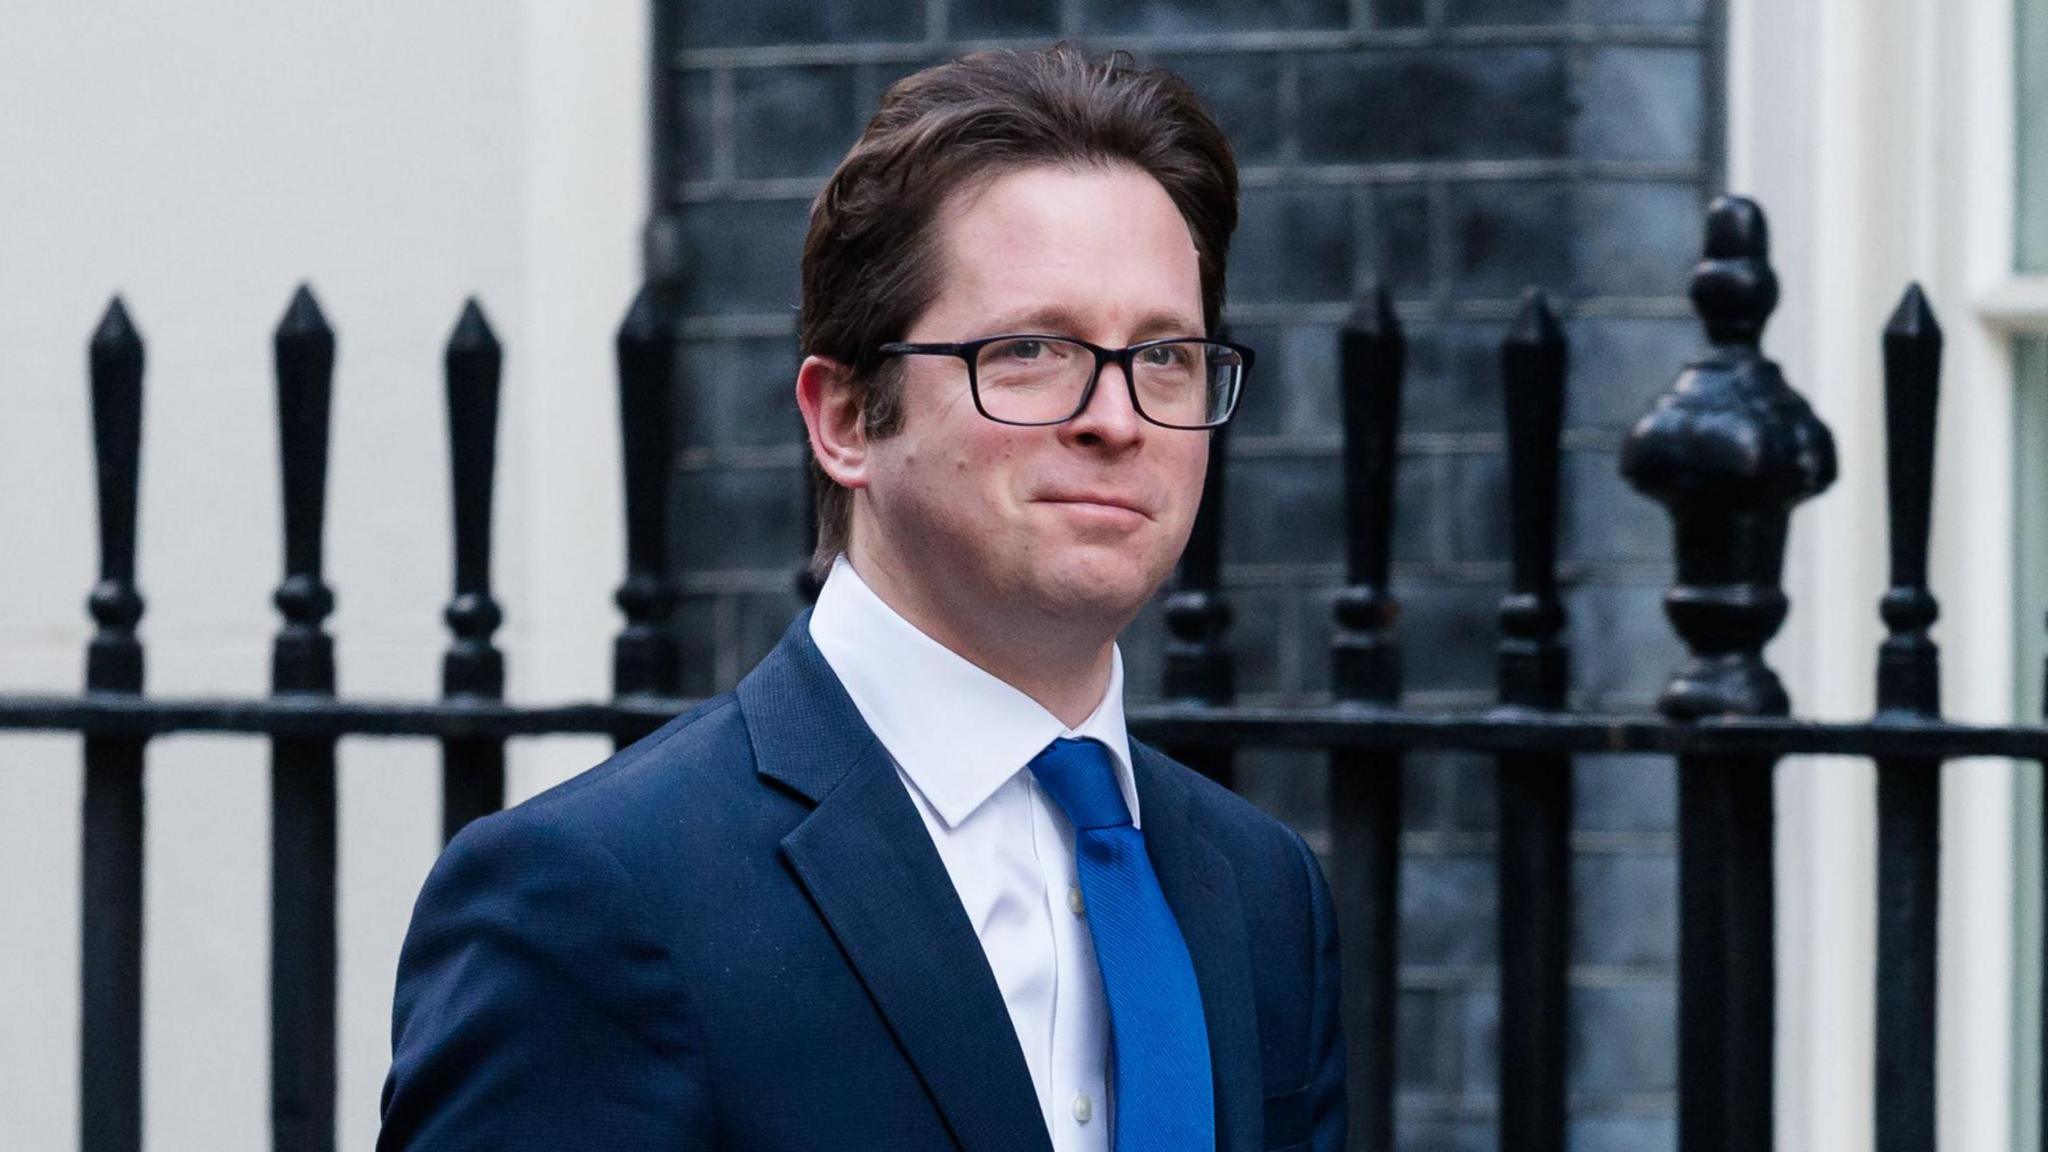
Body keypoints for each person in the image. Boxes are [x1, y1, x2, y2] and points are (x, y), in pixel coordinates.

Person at [378, 44, 1345, 1152]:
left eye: (1163, 355)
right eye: (1030, 349)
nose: (1116, 420)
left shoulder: (1262, 892)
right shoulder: (592, 897)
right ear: (843, 419)